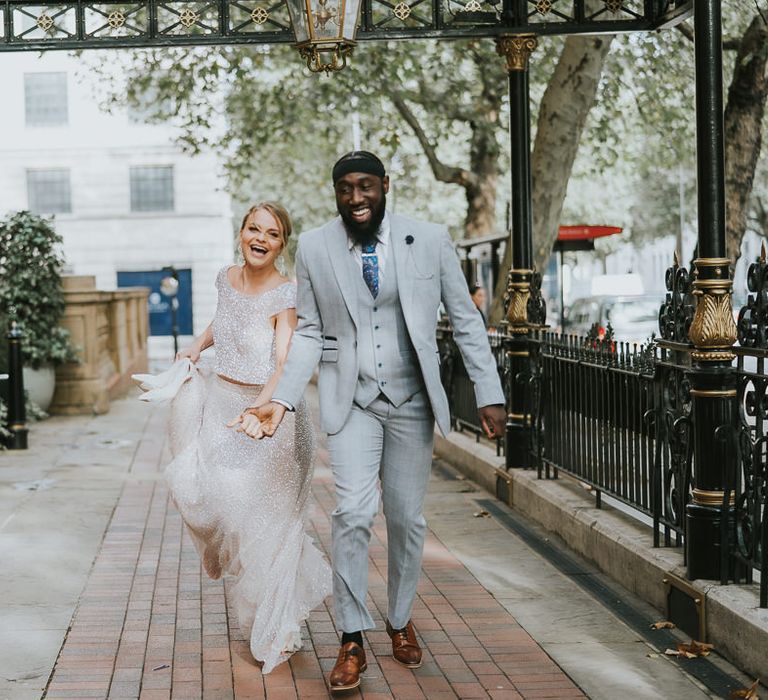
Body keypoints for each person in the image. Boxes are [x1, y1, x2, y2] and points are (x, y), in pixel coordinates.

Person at [233, 152, 506, 693]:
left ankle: (400, 618)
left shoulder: (428, 239)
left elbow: (467, 319)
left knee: (406, 520)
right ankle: (352, 637)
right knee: (353, 511)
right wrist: (281, 401)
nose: (355, 199)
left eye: (365, 187)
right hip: (351, 400)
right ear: (334, 193)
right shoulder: (314, 245)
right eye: (344, 190)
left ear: (384, 186)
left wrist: (489, 392)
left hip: (411, 402)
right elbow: (308, 332)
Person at [135, 202, 331, 674]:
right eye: (253, 228)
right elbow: (223, 323)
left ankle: (279, 627)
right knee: (220, 506)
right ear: (241, 233)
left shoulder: (288, 293)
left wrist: (262, 408)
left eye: (273, 233)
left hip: (272, 420)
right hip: (221, 405)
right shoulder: (226, 277)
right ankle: (244, 580)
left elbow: (284, 362)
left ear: (283, 243)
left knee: (270, 526)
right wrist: (197, 346)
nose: (261, 238)